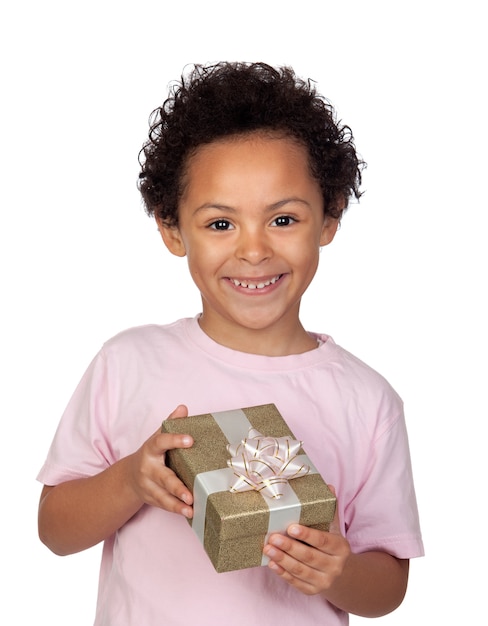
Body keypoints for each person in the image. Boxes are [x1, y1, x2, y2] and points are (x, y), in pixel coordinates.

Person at [37, 62, 424, 626]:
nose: (253, 250)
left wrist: (339, 573)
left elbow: (388, 588)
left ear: (330, 217)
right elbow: (54, 531)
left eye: (284, 219)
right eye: (221, 224)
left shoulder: (368, 401)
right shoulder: (129, 362)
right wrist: (130, 480)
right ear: (173, 229)